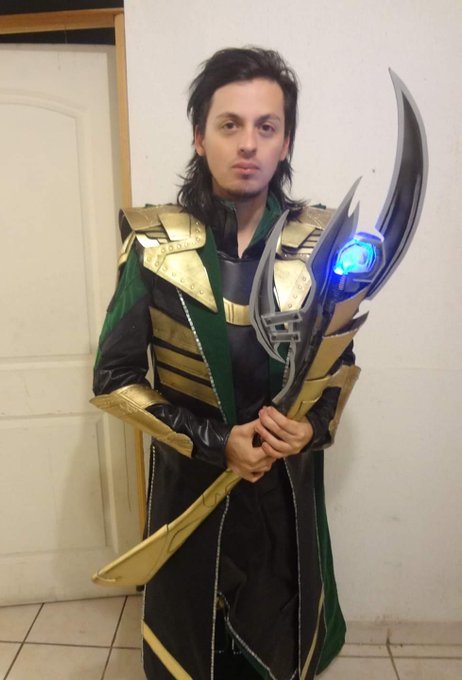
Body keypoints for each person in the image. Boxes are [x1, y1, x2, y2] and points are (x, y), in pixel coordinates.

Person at [93, 47, 356, 680]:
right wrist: (215, 442)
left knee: (278, 637)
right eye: (229, 124)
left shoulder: (320, 245)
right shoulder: (155, 244)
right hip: (192, 484)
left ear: (285, 142)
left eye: (266, 126)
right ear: (199, 135)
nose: (248, 144)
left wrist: (310, 429)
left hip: (282, 491)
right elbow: (113, 379)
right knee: (193, 642)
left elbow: (339, 366)